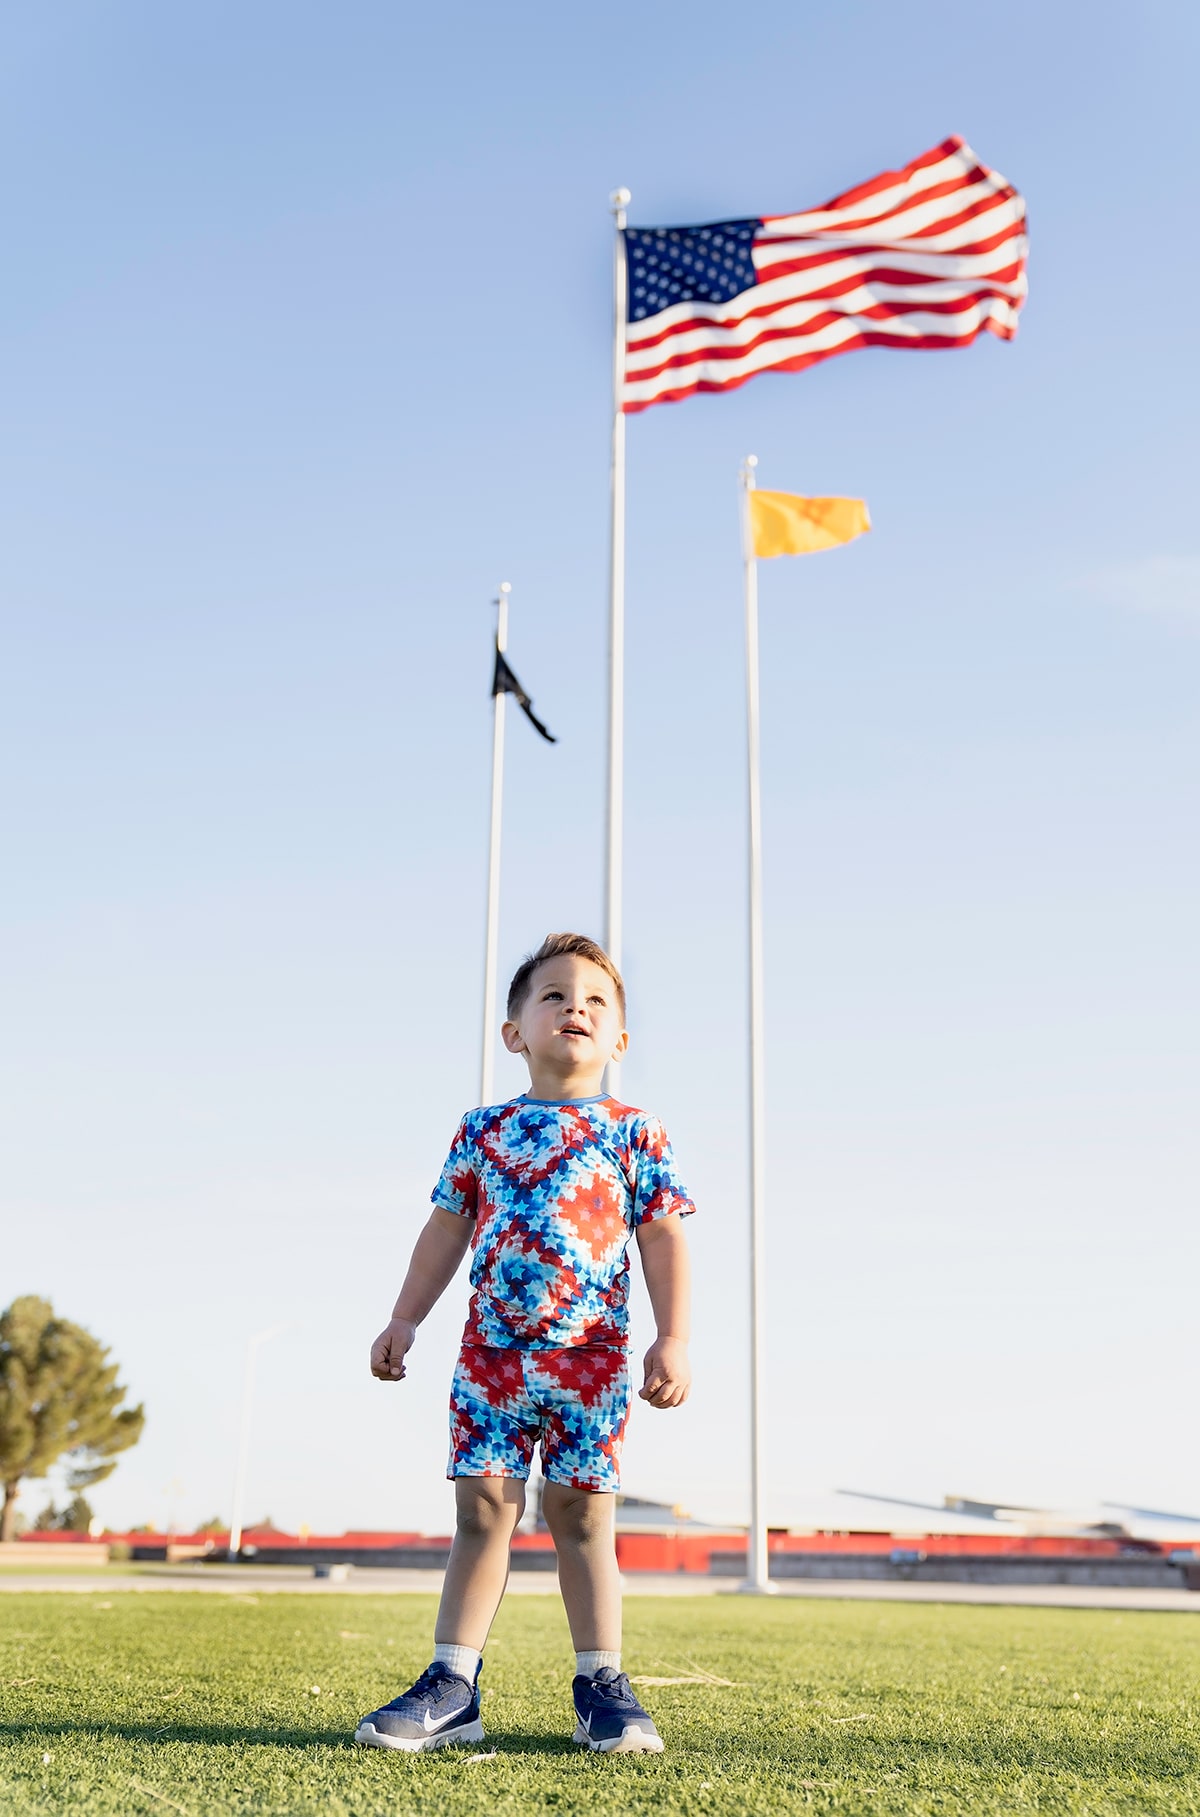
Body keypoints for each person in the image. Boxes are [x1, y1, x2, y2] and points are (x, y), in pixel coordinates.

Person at [354, 931, 695, 1755]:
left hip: (591, 1359)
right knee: (481, 1509)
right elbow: (446, 1230)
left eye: (596, 1000)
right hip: (492, 1357)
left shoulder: (634, 1130)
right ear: (514, 1032)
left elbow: (663, 1237)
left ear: (619, 1040)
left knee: (583, 1515)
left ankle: (602, 1686)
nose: (576, 1007)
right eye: (554, 995)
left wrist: (674, 1336)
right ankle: (452, 1683)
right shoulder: (483, 1130)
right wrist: (405, 1317)